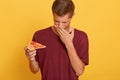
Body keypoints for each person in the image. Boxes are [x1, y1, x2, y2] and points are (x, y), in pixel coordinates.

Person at [24, 0, 89, 80]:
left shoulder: (81, 37)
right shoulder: (39, 36)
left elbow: (79, 71)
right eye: (56, 21)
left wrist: (69, 44)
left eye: (64, 22)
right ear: (53, 14)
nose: (60, 26)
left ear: (72, 16)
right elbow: (34, 70)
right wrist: (32, 59)